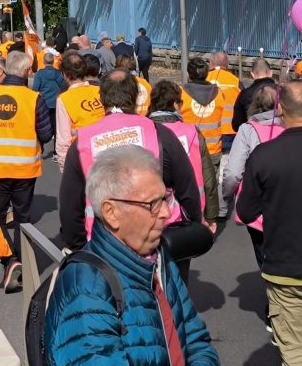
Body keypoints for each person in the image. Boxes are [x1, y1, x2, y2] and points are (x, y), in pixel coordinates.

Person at [46, 145, 279, 366]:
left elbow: (195, 342)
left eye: (165, 198)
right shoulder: (86, 290)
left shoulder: (157, 258)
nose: (167, 214)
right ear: (111, 212)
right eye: (152, 204)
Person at [59, 70, 202, 255]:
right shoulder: (160, 134)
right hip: (159, 241)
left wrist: (79, 248)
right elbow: (187, 188)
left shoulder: (82, 142)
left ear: (102, 100)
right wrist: (191, 229)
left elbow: (70, 207)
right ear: (135, 98)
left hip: (105, 245)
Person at [238, 80, 302, 366]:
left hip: (285, 267)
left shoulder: (264, 156)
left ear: (280, 111)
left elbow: (246, 212)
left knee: (295, 349)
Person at [0, 51, 52, 291]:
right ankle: (21, 263)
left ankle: (10, 261)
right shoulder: (33, 98)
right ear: (25, 71)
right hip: (24, 168)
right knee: (22, 218)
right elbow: (45, 133)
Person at [223, 83, 283, 309]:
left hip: (258, 208)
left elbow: (233, 172)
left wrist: (227, 197)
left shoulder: (248, 130)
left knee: (264, 256)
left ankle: (275, 304)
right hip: (289, 204)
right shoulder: (293, 128)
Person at [148, 79, 219, 233]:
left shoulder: (143, 131)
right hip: (190, 212)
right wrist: (211, 216)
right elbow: (208, 177)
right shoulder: (192, 132)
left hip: (150, 213)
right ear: (175, 104)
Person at [181, 56, 228, 219]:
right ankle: (210, 219)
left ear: (188, 74)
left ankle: (191, 219)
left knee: (190, 186)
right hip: (213, 147)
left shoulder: (181, 93)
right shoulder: (218, 93)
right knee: (211, 187)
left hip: (189, 148)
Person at [55, 51, 105, 170]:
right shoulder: (99, 91)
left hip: (82, 157)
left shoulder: (64, 99)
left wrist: (64, 167)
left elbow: (63, 139)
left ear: (64, 74)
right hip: (104, 153)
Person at [232, 57, 276, 132]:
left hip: (254, 138)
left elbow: (237, 125)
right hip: (278, 137)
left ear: (252, 74)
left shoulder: (244, 94)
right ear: (271, 72)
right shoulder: (282, 91)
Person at [32, 51, 65, 138]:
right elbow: (63, 88)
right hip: (56, 102)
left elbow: (35, 89)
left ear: (43, 61)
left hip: (43, 103)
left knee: (43, 126)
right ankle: (55, 149)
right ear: (53, 60)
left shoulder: (39, 74)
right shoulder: (59, 73)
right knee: (56, 126)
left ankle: (42, 144)